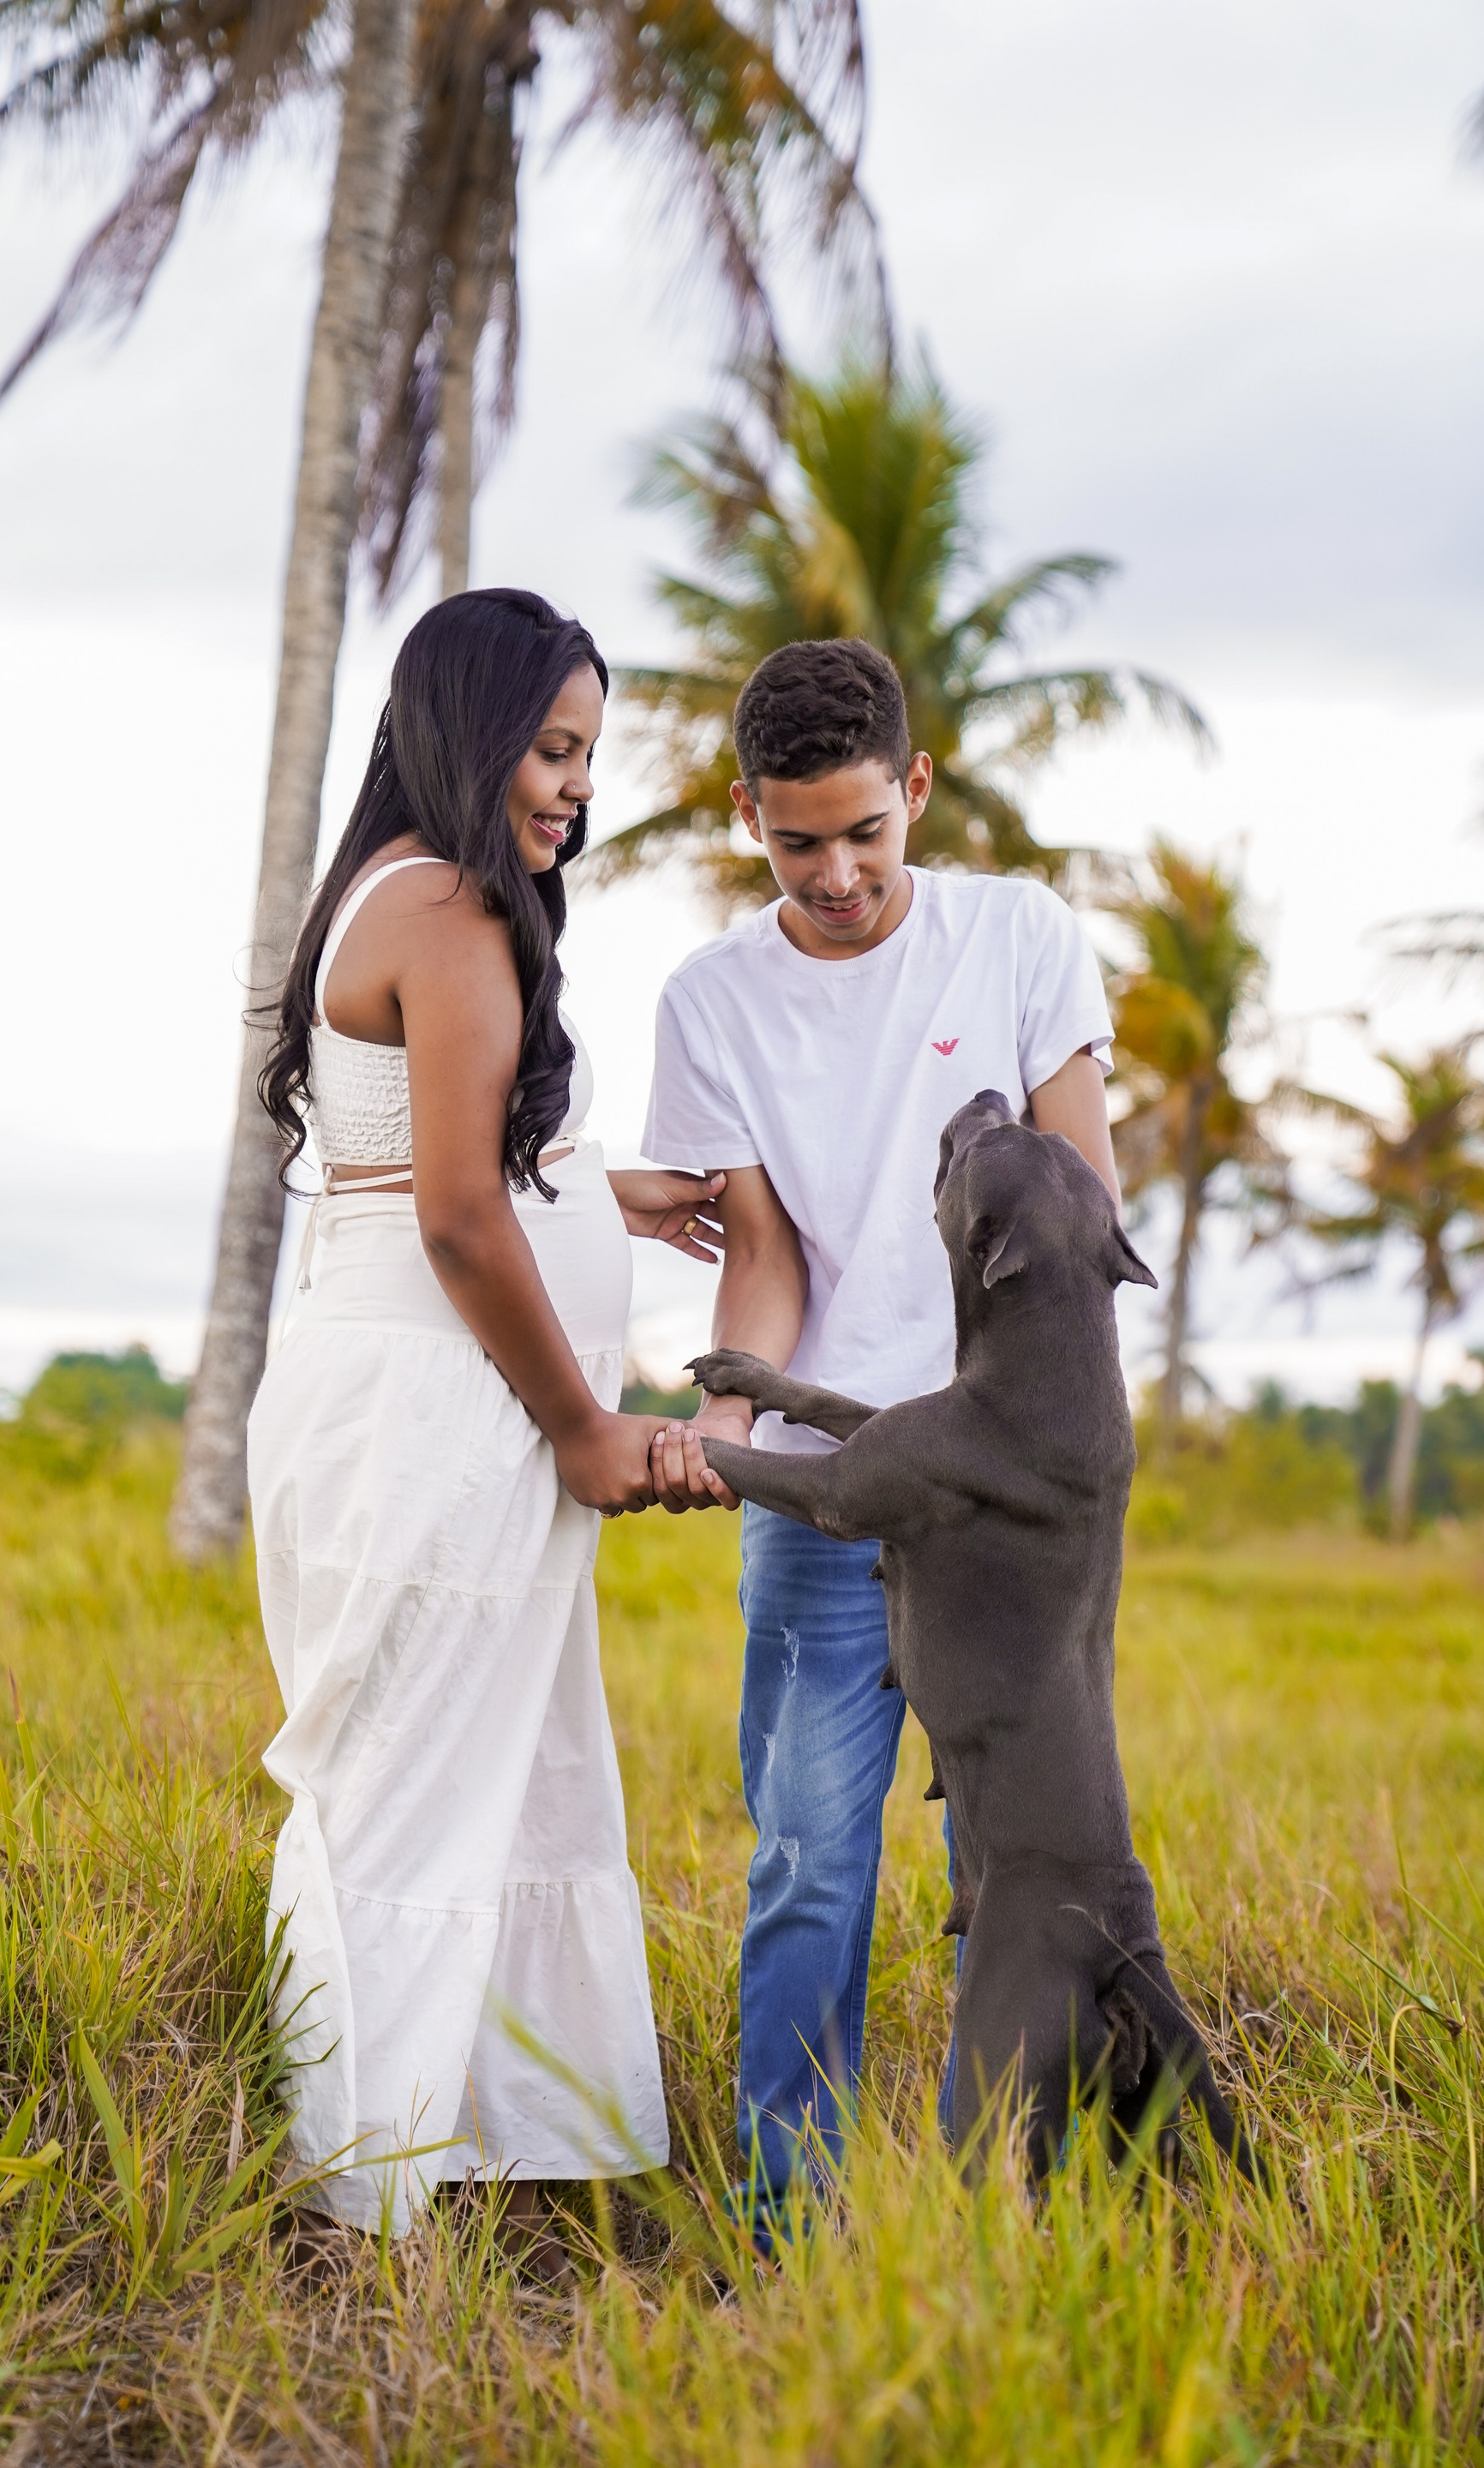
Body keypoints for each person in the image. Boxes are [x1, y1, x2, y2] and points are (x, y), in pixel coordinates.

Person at [248, 589, 725, 2245]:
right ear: (475, 730)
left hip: (402, 1396)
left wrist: (599, 1187)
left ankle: (486, 2143)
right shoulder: (452, 909)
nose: (578, 786)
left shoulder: (393, 889)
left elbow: (418, 1161)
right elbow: (455, 1217)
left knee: (494, 1773)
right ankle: (362, 2190)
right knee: (416, 1784)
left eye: (588, 753)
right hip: (439, 1420)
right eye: (553, 747)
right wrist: (588, 1424)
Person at [642, 637, 1121, 2226]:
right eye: (799, 843)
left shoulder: (1019, 936)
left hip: (1010, 1510)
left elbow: (1081, 1218)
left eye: (865, 831)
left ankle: (1016, 2211)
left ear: (915, 788)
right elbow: (768, 1262)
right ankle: (792, 2219)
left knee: (1023, 1871)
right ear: (747, 818)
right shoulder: (711, 1002)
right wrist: (722, 1417)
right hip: (828, 1499)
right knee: (809, 1862)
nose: (838, 875)